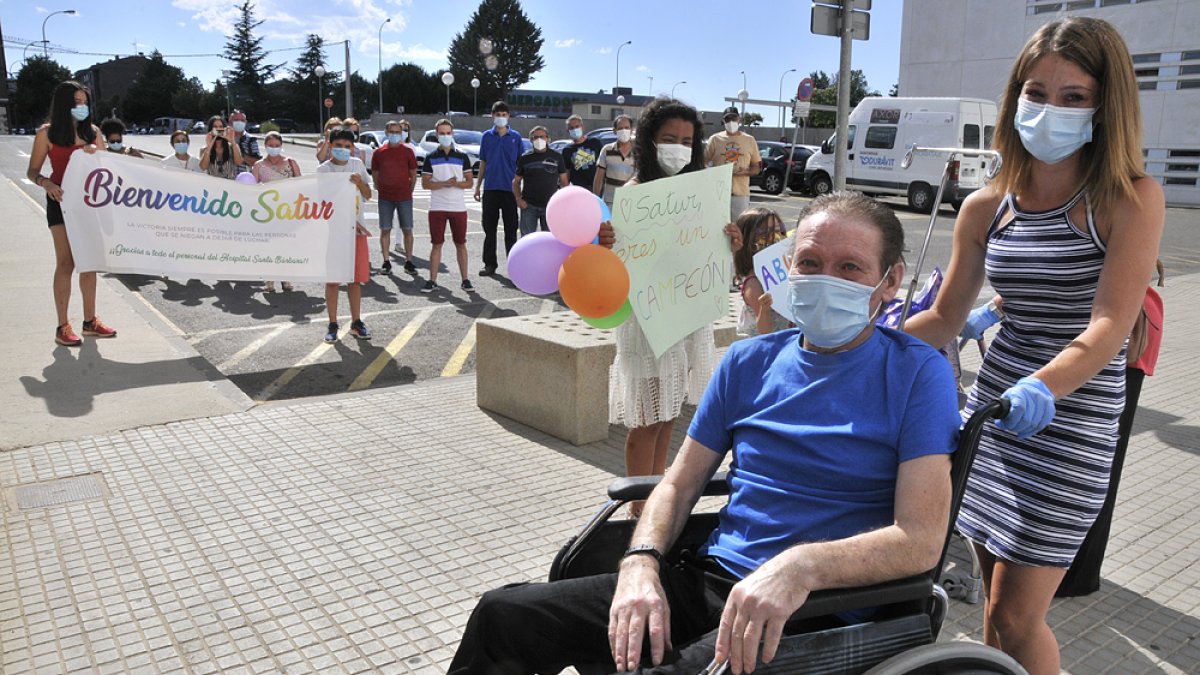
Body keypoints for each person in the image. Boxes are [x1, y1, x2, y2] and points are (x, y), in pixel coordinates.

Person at [448, 191, 962, 675]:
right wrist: (641, 561)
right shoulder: (748, 361)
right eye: (809, 263)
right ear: (789, 268)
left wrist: (801, 566)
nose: (825, 279)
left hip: (817, 606)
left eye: (849, 267)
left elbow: (918, 541)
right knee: (502, 617)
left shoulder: (916, 373)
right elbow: (678, 481)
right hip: (711, 577)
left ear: (890, 281)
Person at [903, 18, 1164, 675]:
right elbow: (944, 315)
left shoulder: (1128, 199)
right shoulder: (987, 206)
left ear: (1106, 107)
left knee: (1019, 618)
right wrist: (857, 342)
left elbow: (1109, 322)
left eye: (1074, 96)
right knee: (994, 607)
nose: (1052, 108)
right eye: (1037, 90)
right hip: (994, 419)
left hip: (1068, 417)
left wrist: (1044, 385)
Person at [598, 98, 739, 516]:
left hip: (685, 316)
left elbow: (707, 260)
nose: (678, 147)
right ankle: (638, 510)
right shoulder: (637, 193)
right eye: (669, 139)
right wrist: (607, 244)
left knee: (667, 415)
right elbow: (620, 266)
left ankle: (654, 497)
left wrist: (727, 243)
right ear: (649, 141)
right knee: (646, 418)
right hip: (648, 320)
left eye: (686, 140)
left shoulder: (699, 194)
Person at [26, 80, 117, 346]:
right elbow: (32, 171)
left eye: (84, 102)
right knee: (66, 263)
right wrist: (46, 183)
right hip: (60, 202)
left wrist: (95, 155)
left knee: (88, 262)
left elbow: (106, 170)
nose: (82, 106)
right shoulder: (47, 133)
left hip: (89, 205)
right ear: (64, 104)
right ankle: (62, 326)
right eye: (76, 102)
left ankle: (90, 322)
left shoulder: (93, 132)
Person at [317, 129, 373, 342]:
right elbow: (322, 202)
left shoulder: (357, 165)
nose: (343, 150)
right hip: (334, 231)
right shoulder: (323, 170)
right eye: (338, 145)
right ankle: (332, 323)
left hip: (357, 230)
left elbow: (368, 194)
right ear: (330, 145)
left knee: (354, 280)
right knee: (333, 281)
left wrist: (359, 183)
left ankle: (356, 322)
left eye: (347, 146)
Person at [421, 118, 475, 294]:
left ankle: (465, 280)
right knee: (437, 244)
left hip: (458, 207)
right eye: (442, 133)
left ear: (452, 134)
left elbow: (469, 183)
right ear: (436, 135)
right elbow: (425, 184)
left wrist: (456, 184)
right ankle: (432, 280)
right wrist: (445, 183)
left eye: (448, 133)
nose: (445, 136)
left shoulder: (462, 156)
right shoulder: (431, 157)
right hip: (437, 207)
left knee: (460, 243)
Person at [473, 101, 523, 276]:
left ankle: (513, 265)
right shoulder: (486, 136)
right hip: (491, 189)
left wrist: (520, 190)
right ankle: (490, 264)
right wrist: (477, 186)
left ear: (508, 116)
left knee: (511, 230)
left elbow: (521, 165)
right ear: (492, 116)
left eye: (504, 115)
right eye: (497, 115)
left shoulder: (516, 137)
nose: (501, 118)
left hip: (510, 191)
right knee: (489, 229)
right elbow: (483, 162)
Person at [252, 131, 302, 293]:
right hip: (267, 212)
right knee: (269, 245)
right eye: (271, 146)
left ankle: (286, 278)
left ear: (281, 145)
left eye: (277, 145)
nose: (274, 148)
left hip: (287, 211)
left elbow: (302, 184)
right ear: (265, 146)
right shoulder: (259, 165)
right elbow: (251, 188)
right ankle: (269, 280)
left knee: (286, 244)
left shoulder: (291, 162)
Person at [371, 120, 420, 275]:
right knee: (385, 229)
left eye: (398, 132)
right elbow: (375, 174)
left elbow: (413, 173)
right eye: (392, 132)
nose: (395, 135)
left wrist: (409, 190)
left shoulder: (408, 151)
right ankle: (386, 262)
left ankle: (409, 261)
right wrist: (381, 187)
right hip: (385, 197)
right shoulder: (379, 153)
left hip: (404, 196)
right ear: (386, 133)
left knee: (407, 230)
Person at [733, 207, 790, 336]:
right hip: (765, 348)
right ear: (748, 241)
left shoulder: (783, 269)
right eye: (764, 234)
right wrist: (764, 310)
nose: (774, 238)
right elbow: (765, 330)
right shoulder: (754, 282)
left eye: (777, 231)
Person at [705, 106, 762, 223]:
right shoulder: (715, 139)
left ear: (739, 120)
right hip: (718, 193)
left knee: (738, 228)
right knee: (716, 227)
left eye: (734, 119)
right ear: (723, 121)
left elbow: (756, 167)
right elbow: (703, 162)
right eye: (727, 119)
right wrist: (713, 174)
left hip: (740, 194)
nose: (731, 122)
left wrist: (746, 172)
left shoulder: (749, 140)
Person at [512, 125, 568, 235]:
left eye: (542, 137)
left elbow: (564, 181)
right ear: (531, 140)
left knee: (550, 240)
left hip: (550, 206)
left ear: (547, 138)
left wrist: (562, 202)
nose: (539, 139)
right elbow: (516, 182)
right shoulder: (525, 158)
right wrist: (519, 200)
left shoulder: (557, 157)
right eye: (535, 137)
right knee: (526, 240)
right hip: (529, 206)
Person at [593, 114, 635, 209]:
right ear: (615, 131)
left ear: (631, 130)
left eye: (626, 128)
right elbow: (599, 178)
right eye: (620, 128)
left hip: (632, 203)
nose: (623, 131)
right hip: (610, 203)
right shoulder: (606, 150)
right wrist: (596, 200)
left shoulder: (639, 152)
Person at [562, 113, 604, 190]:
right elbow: (566, 173)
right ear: (568, 130)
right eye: (571, 128)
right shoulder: (567, 150)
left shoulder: (594, 142)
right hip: (579, 189)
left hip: (597, 187)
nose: (574, 129)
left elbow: (604, 163)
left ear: (583, 127)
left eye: (577, 126)